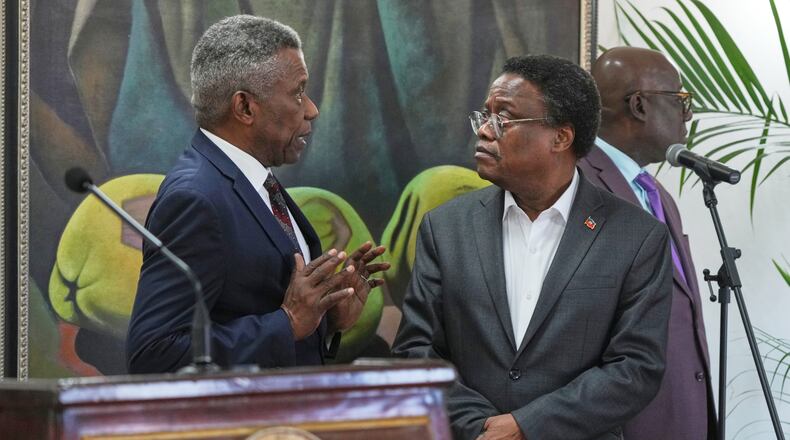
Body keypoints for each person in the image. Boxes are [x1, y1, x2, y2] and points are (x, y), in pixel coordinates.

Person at [392, 54, 674, 440]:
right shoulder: (445, 228)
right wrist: (483, 428)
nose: (485, 132)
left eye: (503, 118)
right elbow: (415, 352)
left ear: (561, 136)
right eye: (484, 116)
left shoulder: (636, 237)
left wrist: (528, 426)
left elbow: (636, 368)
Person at [126, 15, 388, 374]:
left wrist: (325, 319)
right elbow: (153, 353)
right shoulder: (194, 198)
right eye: (297, 92)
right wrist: (286, 323)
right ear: (245, 107)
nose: (312, 108)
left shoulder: (255, 180)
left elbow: (261, 314)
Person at [579, 46, 715, 440]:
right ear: (639, 105)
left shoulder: (655, 193)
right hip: (624, 425)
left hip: (680, 413)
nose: (687, 113)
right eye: (679, 99)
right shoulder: (578, 185)